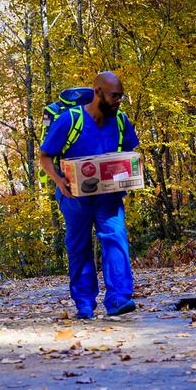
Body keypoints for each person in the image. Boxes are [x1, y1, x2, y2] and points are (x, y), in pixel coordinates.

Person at [38, 71, 139, 319]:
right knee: (79, 246)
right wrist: (58, 181)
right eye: (114, 96)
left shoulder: (120, 120)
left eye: (121, 97)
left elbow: (130, 154)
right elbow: (45, 156)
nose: (118, 101)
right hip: (74, 195)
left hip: (109, 196)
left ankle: (119, 299)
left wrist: (127, 176)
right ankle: (84, 303)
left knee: (115, 239)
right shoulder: (71, 120)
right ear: (98, 92)